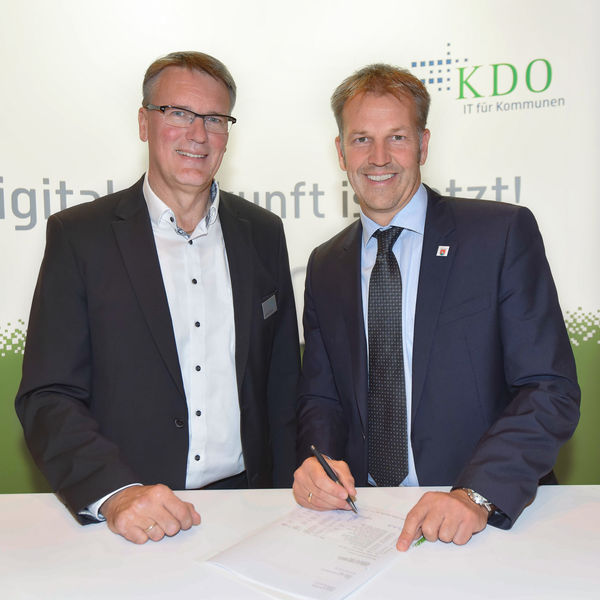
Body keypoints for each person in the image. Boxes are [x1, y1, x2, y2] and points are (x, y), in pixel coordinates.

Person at [15, 51, 300, 544]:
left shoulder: (263, 232)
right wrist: (116, 492)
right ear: (144, 122)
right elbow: (49, 396)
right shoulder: (80, 237)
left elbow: (282, 382)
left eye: (215, 118)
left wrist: (289, 495)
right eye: (179, 113)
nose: (198, 134)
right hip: (133, 517)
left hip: (251, 512)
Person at [293, 63, 580, 551]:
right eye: (361, 139)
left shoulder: (499, 235)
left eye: (397, 137)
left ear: (423, 145)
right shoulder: (325, 264)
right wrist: (316, 462)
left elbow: (549, 389)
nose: (378, 157)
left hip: (481, 520)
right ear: (340, 152)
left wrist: (475, 494)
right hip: (364, 522)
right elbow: (322, 397)